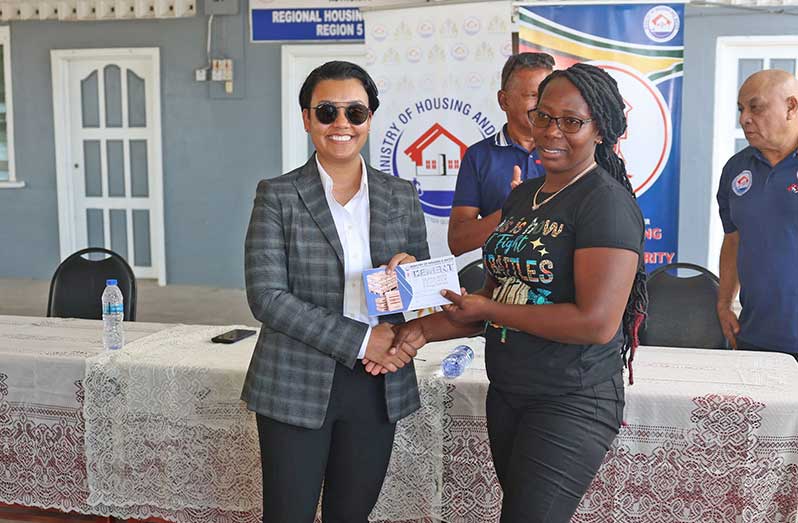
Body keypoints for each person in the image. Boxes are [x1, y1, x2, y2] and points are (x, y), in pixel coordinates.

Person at [370, 63, 647, 523]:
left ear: (601, 130)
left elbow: (597, 324)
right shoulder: (524, 197)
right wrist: (416, 332)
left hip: (571, 398)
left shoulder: (606, 203)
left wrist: (489, 308)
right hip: (510, 390)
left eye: (571, 122)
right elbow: (493, 300)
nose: (552, 131)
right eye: (543, 116)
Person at [242, 61, 430, 523]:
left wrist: (412, 276)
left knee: (352, 515)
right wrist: (364, 339)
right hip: (296, 381)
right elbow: (266, 296)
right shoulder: (278, 195)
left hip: (378, 380)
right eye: (327, 112)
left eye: (355, 112)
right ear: (307, 118)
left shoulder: (401, 194)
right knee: (288, 515)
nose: (342, 124)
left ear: (370, 118)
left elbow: (424, 287)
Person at [716, 69, 798, 359]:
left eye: (756, 107)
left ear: (791, 106)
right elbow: (733, 240)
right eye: (741, 109)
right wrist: (725, 303)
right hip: (753, 336)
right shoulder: (735, 169)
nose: (744, 119)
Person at [448, 52, 554, 256]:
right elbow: (457, 241)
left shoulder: (568, 152)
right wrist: (513, 210)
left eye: (548, 96)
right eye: (533, 96)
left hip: (562, 284)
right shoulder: (478, 156)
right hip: (500, 285)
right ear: (503, 101)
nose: (543, 106)